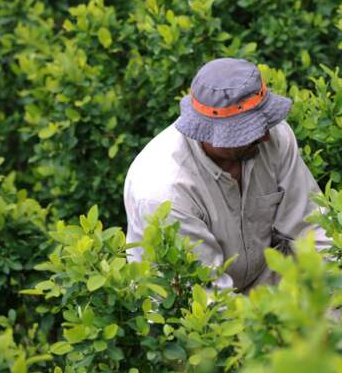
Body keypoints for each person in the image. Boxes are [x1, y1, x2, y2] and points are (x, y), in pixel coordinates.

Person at [123, 57, 330, 291]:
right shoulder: (165, 191)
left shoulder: (274, 135)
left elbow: (310, 224)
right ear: (211, 134)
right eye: (249, 131)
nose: (265, 136)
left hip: (265, 279)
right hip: (201, 301)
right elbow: (207, 295)